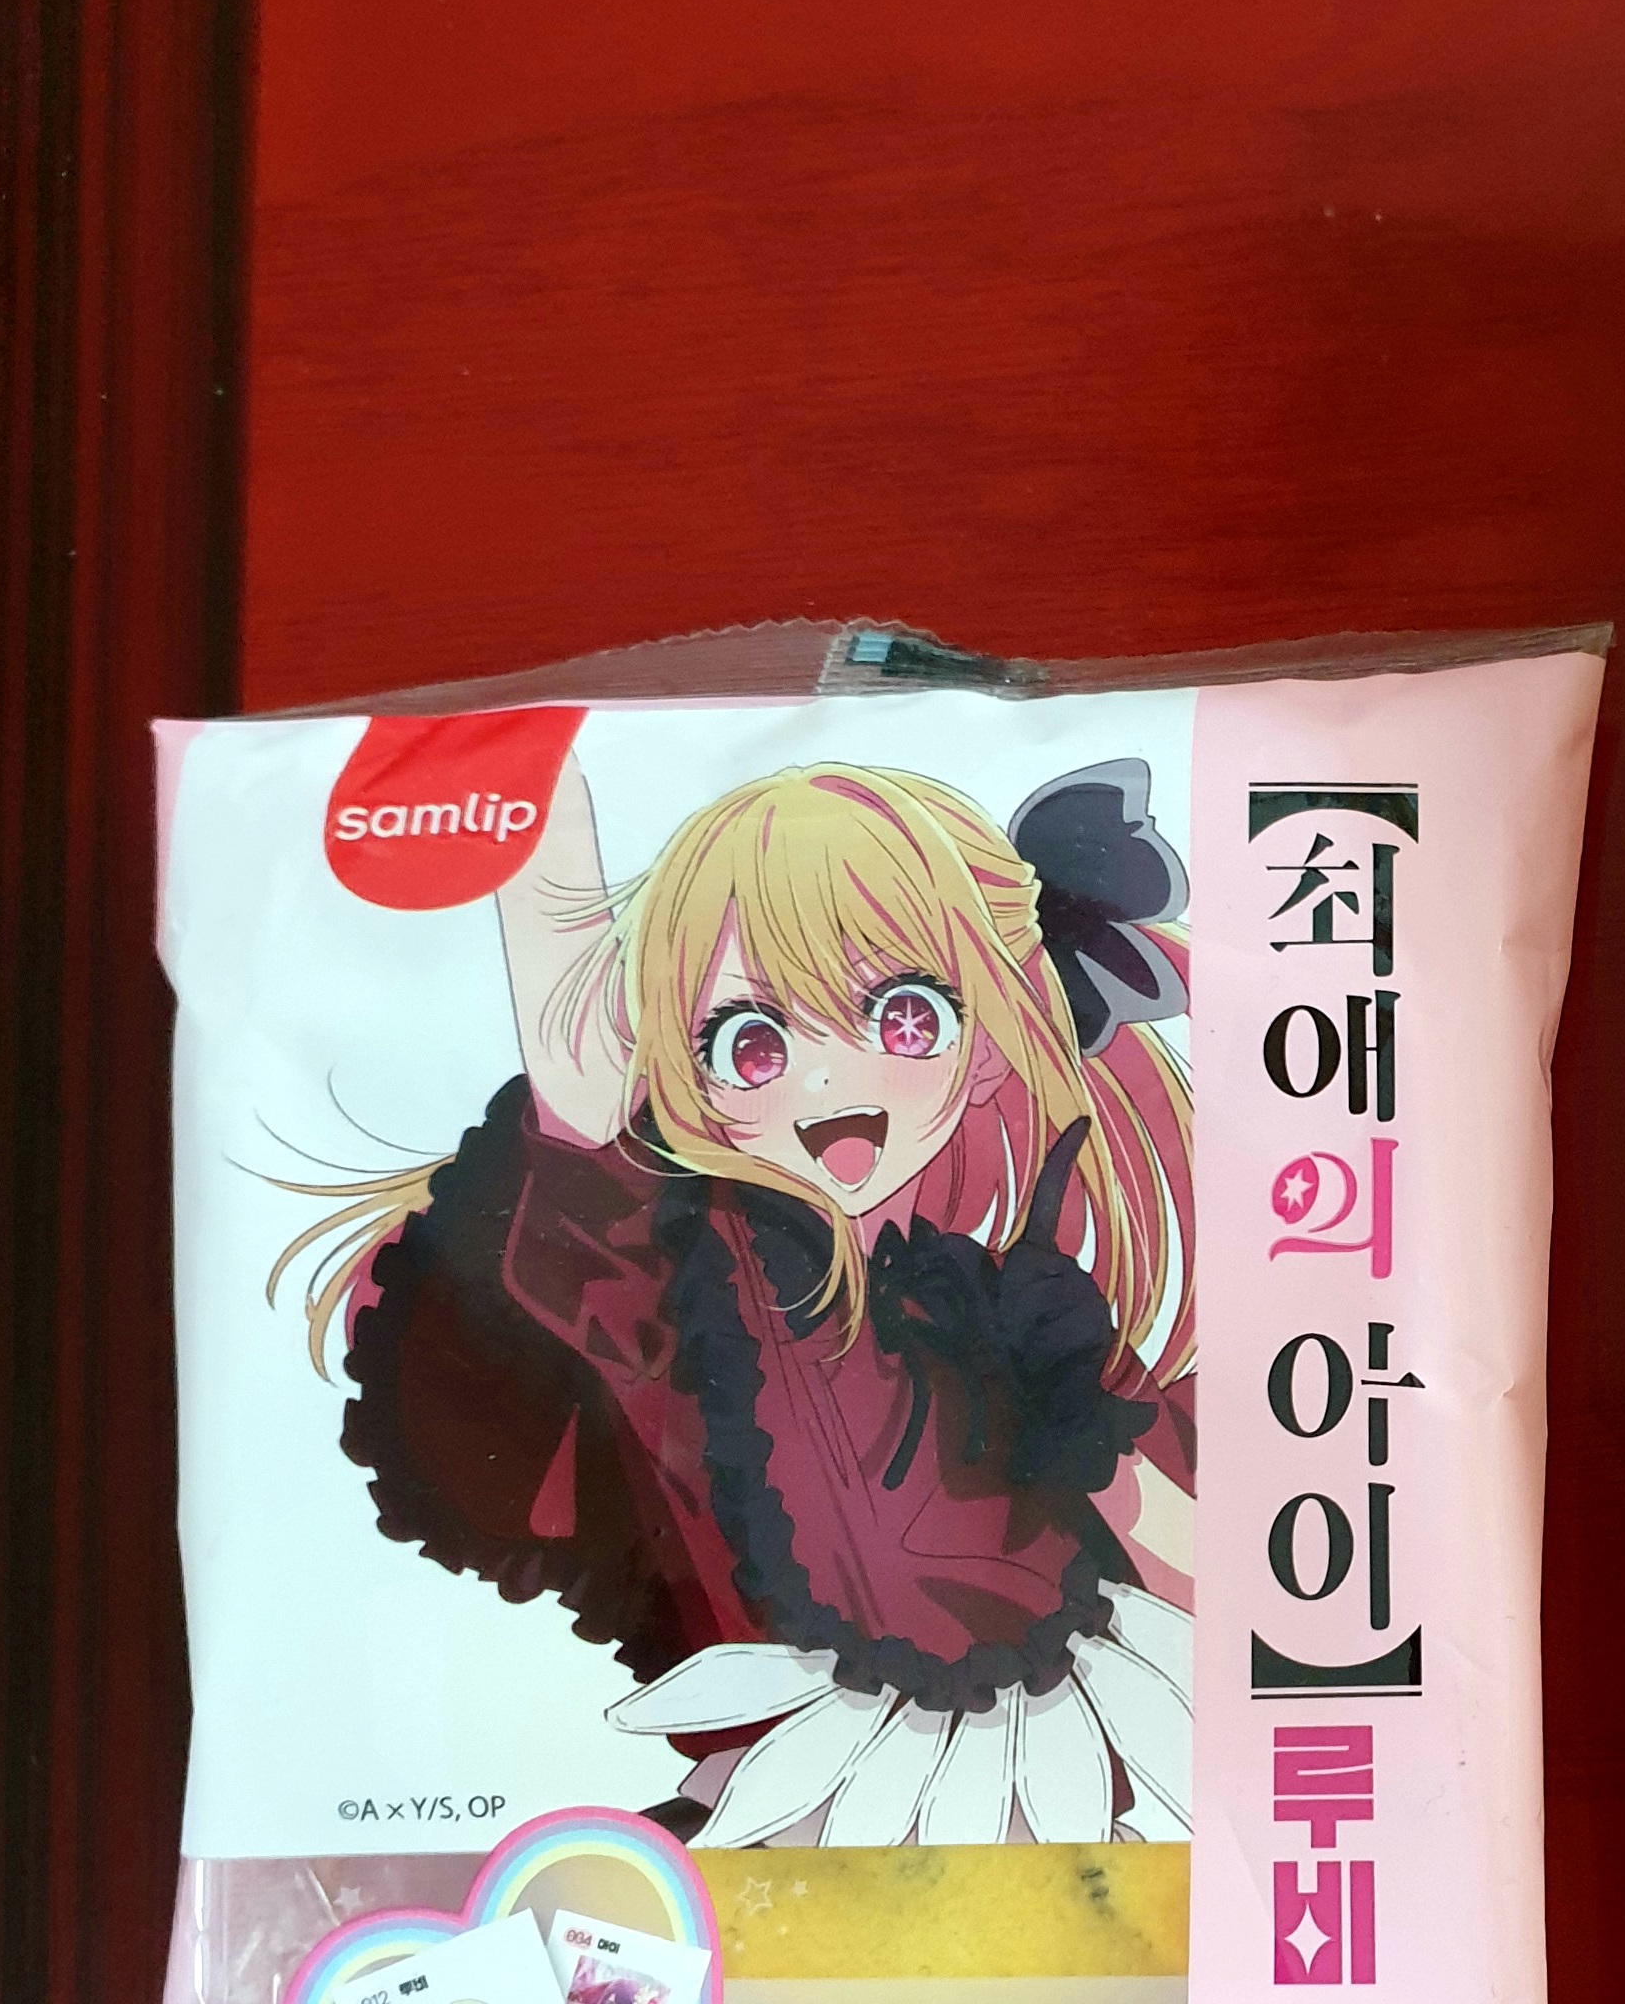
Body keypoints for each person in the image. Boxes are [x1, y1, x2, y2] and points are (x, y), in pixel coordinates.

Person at [276, 755, 1195, 1848]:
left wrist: (1099, 1451)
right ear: (688, 1079)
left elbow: (1207, 1572)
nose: (824, 1080)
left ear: (990, 1047)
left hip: (1062, 1780)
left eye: (905, 1018)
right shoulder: (709, 1280)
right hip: (784, 1798)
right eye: (751, 1044)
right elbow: (585, 1238)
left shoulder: (1022, 1290)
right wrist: (579, 1097)